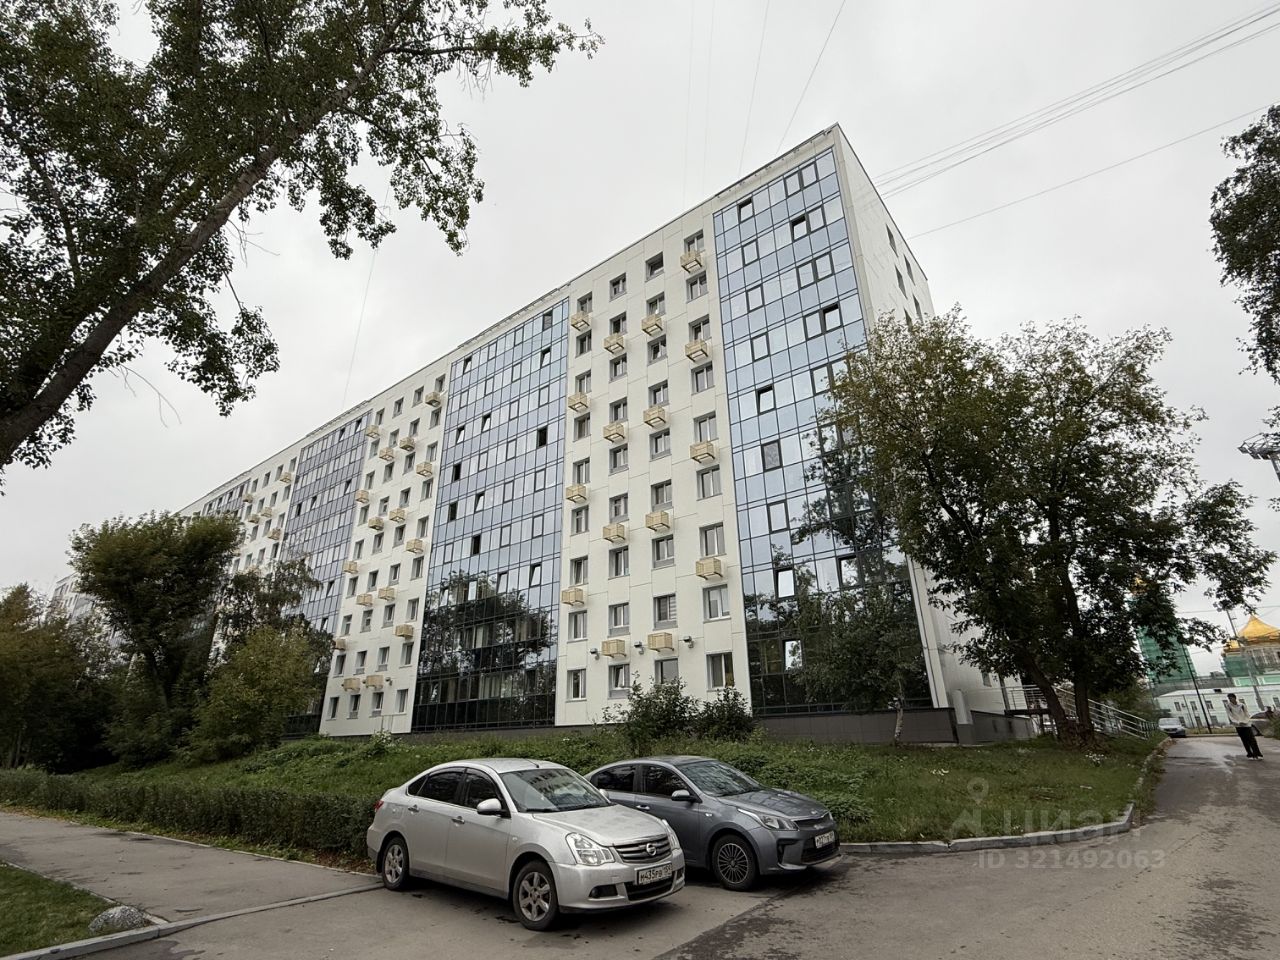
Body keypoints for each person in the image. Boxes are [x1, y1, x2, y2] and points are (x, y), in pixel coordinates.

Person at [1226, 693, 1263, 760]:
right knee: (1244, 740)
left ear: (1235, 698)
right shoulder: (1228, 706)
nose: (1230, 700)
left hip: (1246, 725)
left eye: (1231, 698)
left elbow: (1247, 714)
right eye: (1229, 698)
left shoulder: (1242, 705)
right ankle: (1250, 754)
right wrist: (1237, 722)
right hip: (1238, 726)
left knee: (1252, 740)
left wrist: (1245, 722)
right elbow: (1230, 716)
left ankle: (1258, 754)